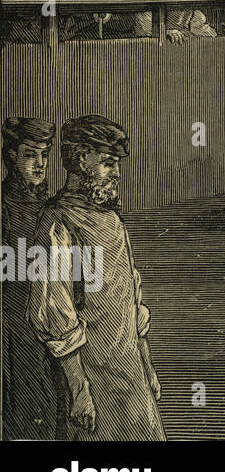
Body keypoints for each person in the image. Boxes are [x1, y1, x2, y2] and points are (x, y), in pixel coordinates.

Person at [27, 115, 165, 440]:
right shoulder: (56, 220)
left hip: (132, 377)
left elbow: (133, 300)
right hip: (90, 379)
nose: (116, 173)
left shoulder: (114, 222)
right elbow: (53, 310)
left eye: (116, 163)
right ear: (79, 159)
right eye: (107, 163)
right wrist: (78, 390)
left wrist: (147, 367)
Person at [1, 118, 59, 439]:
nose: (39, 165)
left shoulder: (51, 206)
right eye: (29, 155)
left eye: (44, 156)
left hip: (53, 323)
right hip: (17, 325)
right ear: (11, 157)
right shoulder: (3, 208)